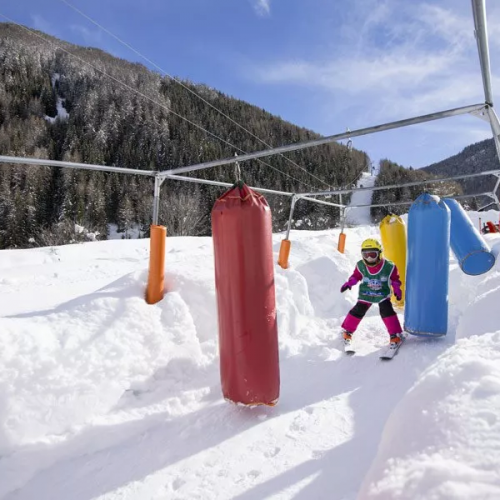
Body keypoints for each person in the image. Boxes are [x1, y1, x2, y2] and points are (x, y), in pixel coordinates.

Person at [340, 238, 403, 345]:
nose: (369, 258)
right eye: (366, 255)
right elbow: (356, 276)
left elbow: (395, 279)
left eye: (372, 255)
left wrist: (397, 289)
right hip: (366, 293)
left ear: (379, 253)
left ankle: (395, 334)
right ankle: (347, 330)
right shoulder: (361, 265)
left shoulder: (389, 266)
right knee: (358, 310)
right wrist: (350, 283)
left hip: (382, 293)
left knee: (386, 310)